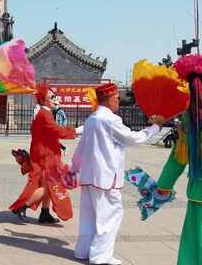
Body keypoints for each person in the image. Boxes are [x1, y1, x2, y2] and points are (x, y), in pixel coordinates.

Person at [70, 82, 164, 265]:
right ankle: (100, 257)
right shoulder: (110, 120)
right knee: (109, 215)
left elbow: (81, 148)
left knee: (89, 216)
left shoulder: (92, 119)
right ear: (107, 99)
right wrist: (155, 127)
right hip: (105, 177)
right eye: (116, 98)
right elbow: (133, 138)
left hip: (90, 176)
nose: (118, 102)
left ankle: (84, 251)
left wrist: (74, 168)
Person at [156, 55, 202, 265]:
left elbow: (177, 159)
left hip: (198, 195)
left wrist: (164, 186)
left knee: (195, 251)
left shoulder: (191, 118)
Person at [10, 83, 79, 223]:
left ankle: (44, 212)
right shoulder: (44, 114)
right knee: (48, 185)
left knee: (46, 184)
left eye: (55, 96)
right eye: (52, 97)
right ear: (43, 100)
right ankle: (23, 206)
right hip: (45, 156)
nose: (55, 99)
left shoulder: (44, 113)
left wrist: (59, 145)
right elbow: (57, 131)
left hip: (44, 153)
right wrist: (76, 131)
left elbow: (47, 134)